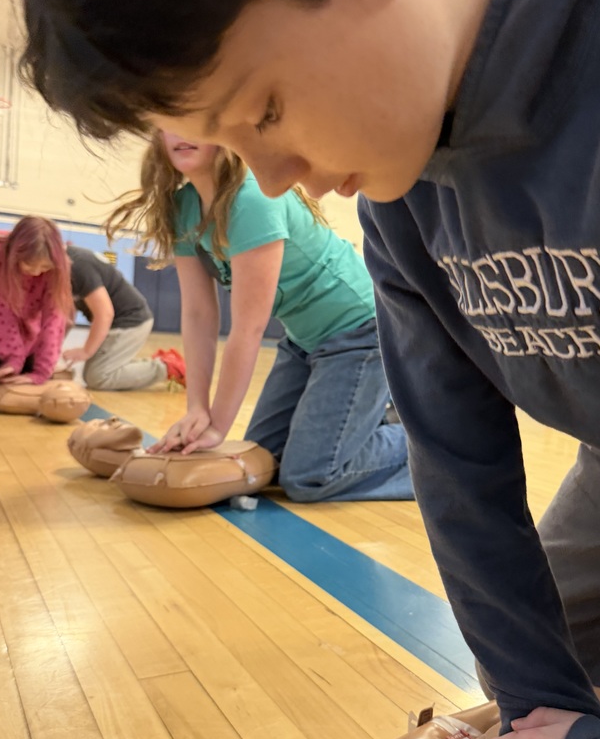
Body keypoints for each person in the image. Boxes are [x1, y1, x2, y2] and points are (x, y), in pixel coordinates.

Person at [0, 0, 600, 739]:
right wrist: (535, 706)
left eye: (267, 108)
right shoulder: (399, 188)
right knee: (549, 690)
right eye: (237, 145)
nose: (276, 178)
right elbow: (458, 467)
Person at [105, 131, 413, 503]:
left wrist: (218, 427)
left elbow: (248, 330)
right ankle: (367, 418)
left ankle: (432, 445)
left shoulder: (251, 198)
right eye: (171, 124)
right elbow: (200, 314)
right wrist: (197, 410)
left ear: (225, 132)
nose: (182, 134)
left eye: (195, 124)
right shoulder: (183, 207)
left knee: (310, 477)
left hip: (360, 333)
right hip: (303, 341)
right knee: (266, 460)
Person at [0, 215, 72, 398]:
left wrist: (43, 371)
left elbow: (54, 319)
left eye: (44, 267)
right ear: (16, 254)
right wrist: (13, 359)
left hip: (29, 332)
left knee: (32, 389)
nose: (37, 272)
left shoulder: (59, 266)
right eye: (30, 265)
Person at [63, 244, 184, 389]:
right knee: (93, 373)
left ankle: (167, 367)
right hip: (120, 321)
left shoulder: (78, 265)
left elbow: (105, 314)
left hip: (130, 321)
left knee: (99, 377)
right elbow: (67, 313)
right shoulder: (69, 262)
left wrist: (86, 351)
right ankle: (158, 363)